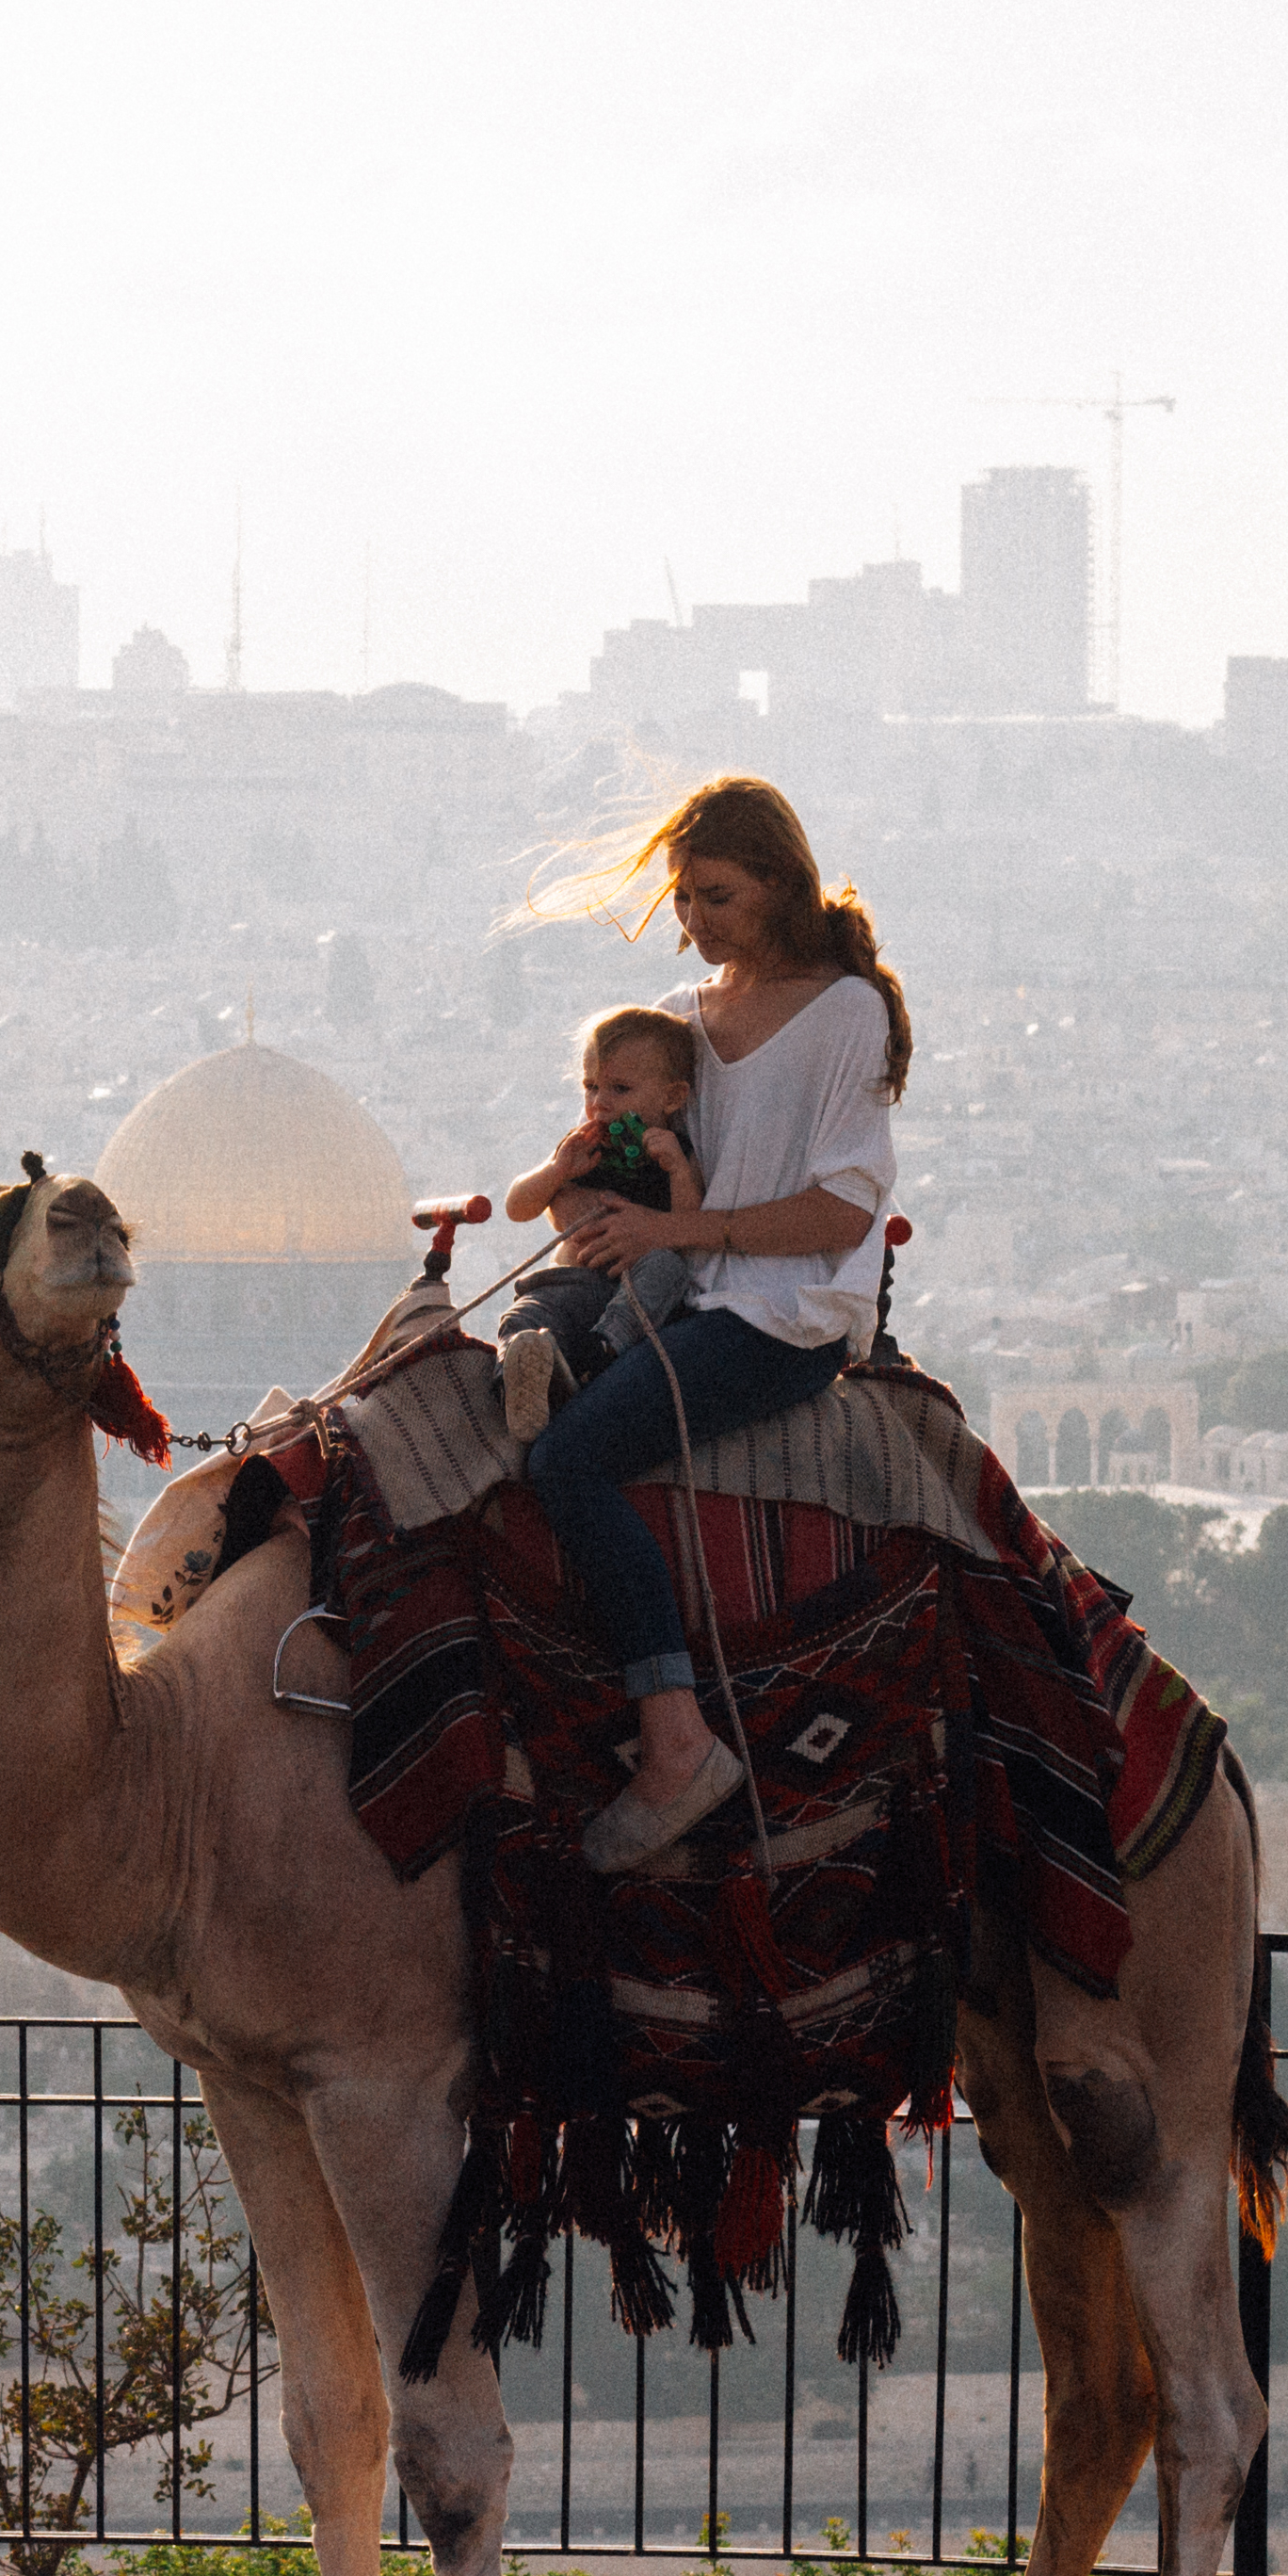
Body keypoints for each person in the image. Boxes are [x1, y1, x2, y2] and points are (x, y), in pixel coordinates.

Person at [506, 773, 911, 1873]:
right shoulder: (681, 1027)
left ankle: (677, 1740)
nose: (693, 921)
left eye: (715, 896)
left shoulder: (847, 1013)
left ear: (782, 885)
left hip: (784, 1316)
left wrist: (680, 1236)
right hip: (686, 1290)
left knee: (573, 1464)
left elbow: (839, 1205)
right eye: (684, 898)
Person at [494, 1005, 705, 1438]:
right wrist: (557, 1171)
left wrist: (679, 1171)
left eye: (620, 1089)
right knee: (524, 1316)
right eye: (591, 1087)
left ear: (671, 1097)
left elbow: (689, 1232)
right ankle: (518, 1379)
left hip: (629, 1292)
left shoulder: (678, 1155)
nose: (600, 1103)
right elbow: (517, 1206)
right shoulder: (582, 1150)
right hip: (571, 1284)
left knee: (668, 1268)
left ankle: (599, 1355)